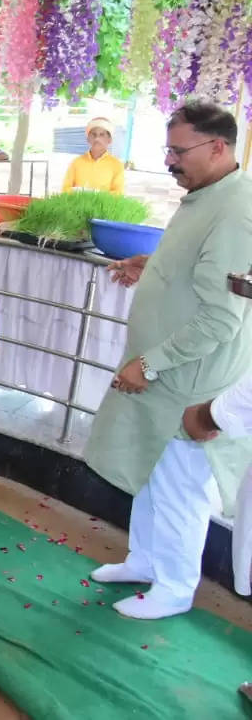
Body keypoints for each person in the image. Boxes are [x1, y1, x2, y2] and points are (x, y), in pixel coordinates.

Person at [83, 103, 252, 619]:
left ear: (218, 147)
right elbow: (198, 268)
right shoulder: (206, 193)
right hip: (166, 371)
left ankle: (175, 588)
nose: (170, 162)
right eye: (169, 150)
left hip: (189, 381)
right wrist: (153, 266)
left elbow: (221, 319)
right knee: (151, 472)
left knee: (181, 486)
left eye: (179, 151)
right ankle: (147, 561)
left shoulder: (238, 208)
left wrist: (151, 363)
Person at [62, 117, 125, 194]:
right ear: (88, 139)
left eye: (102, 135)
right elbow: (65, 189)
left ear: (109, 140)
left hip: (104, 206)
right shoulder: (76, 162)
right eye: (93, 134)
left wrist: (97, 194)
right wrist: (80, 192)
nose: (97, 138)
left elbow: (118, 193)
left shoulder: (116, 165)